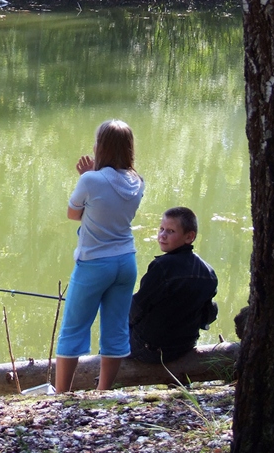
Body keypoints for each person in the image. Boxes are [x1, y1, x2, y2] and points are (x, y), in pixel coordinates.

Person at [56, 120, 145, 393]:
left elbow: (73, 214)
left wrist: (89, 174)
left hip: (94, 263)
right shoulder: (137, 181)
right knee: (116, 329)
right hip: (126, 262)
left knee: (73, 328)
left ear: (101, 147)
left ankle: (61, 395)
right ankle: (103, 392)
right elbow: (110, 207)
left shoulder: (90, 179)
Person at [129, 207, 218, 363]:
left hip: (150, 350)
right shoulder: (208, 272)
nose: (162, 235)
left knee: (117, 314)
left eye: (170, 231)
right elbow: (208, 316)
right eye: (161, 229)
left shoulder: (161, 267)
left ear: (189, 237)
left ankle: (103, 371)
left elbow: (136, 308)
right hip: (184, 347)